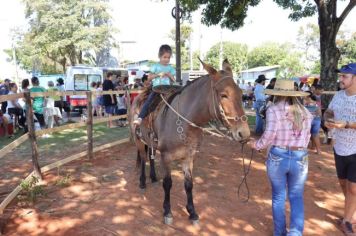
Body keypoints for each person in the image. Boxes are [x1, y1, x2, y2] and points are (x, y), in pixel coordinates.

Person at [249, 79, 313, 236]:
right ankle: (295, 233)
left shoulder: (273, 109)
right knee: (296, 196)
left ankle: (279, 232)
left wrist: (257, 145)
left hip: (279, 156)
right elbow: (307, 138)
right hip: (300, 156)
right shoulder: (305, 112)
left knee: (278, 195)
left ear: (276, 93)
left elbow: (270, 134)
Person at [324, 62, 356, 236]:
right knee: (344, 185)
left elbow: (347, 124)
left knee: (353, 188)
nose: (340, 78)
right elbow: (329, 112)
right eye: (341, 75)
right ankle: (350, 213)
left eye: (345, 76)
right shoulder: (338, 95)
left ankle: (347, 221)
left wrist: (347, 124)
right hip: (339, 147)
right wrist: (328, 120)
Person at [133, 44, 176, 126]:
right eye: (165, 57)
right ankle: (140, 118)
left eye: (168, 58)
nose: (167, 59)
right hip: (157, 88)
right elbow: (149, 78)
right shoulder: (155, 66)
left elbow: (173, 80)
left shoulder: (170, 68)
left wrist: (170, 76)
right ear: (159, 56)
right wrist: (158, 74)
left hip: (167, 89)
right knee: (149, 100)